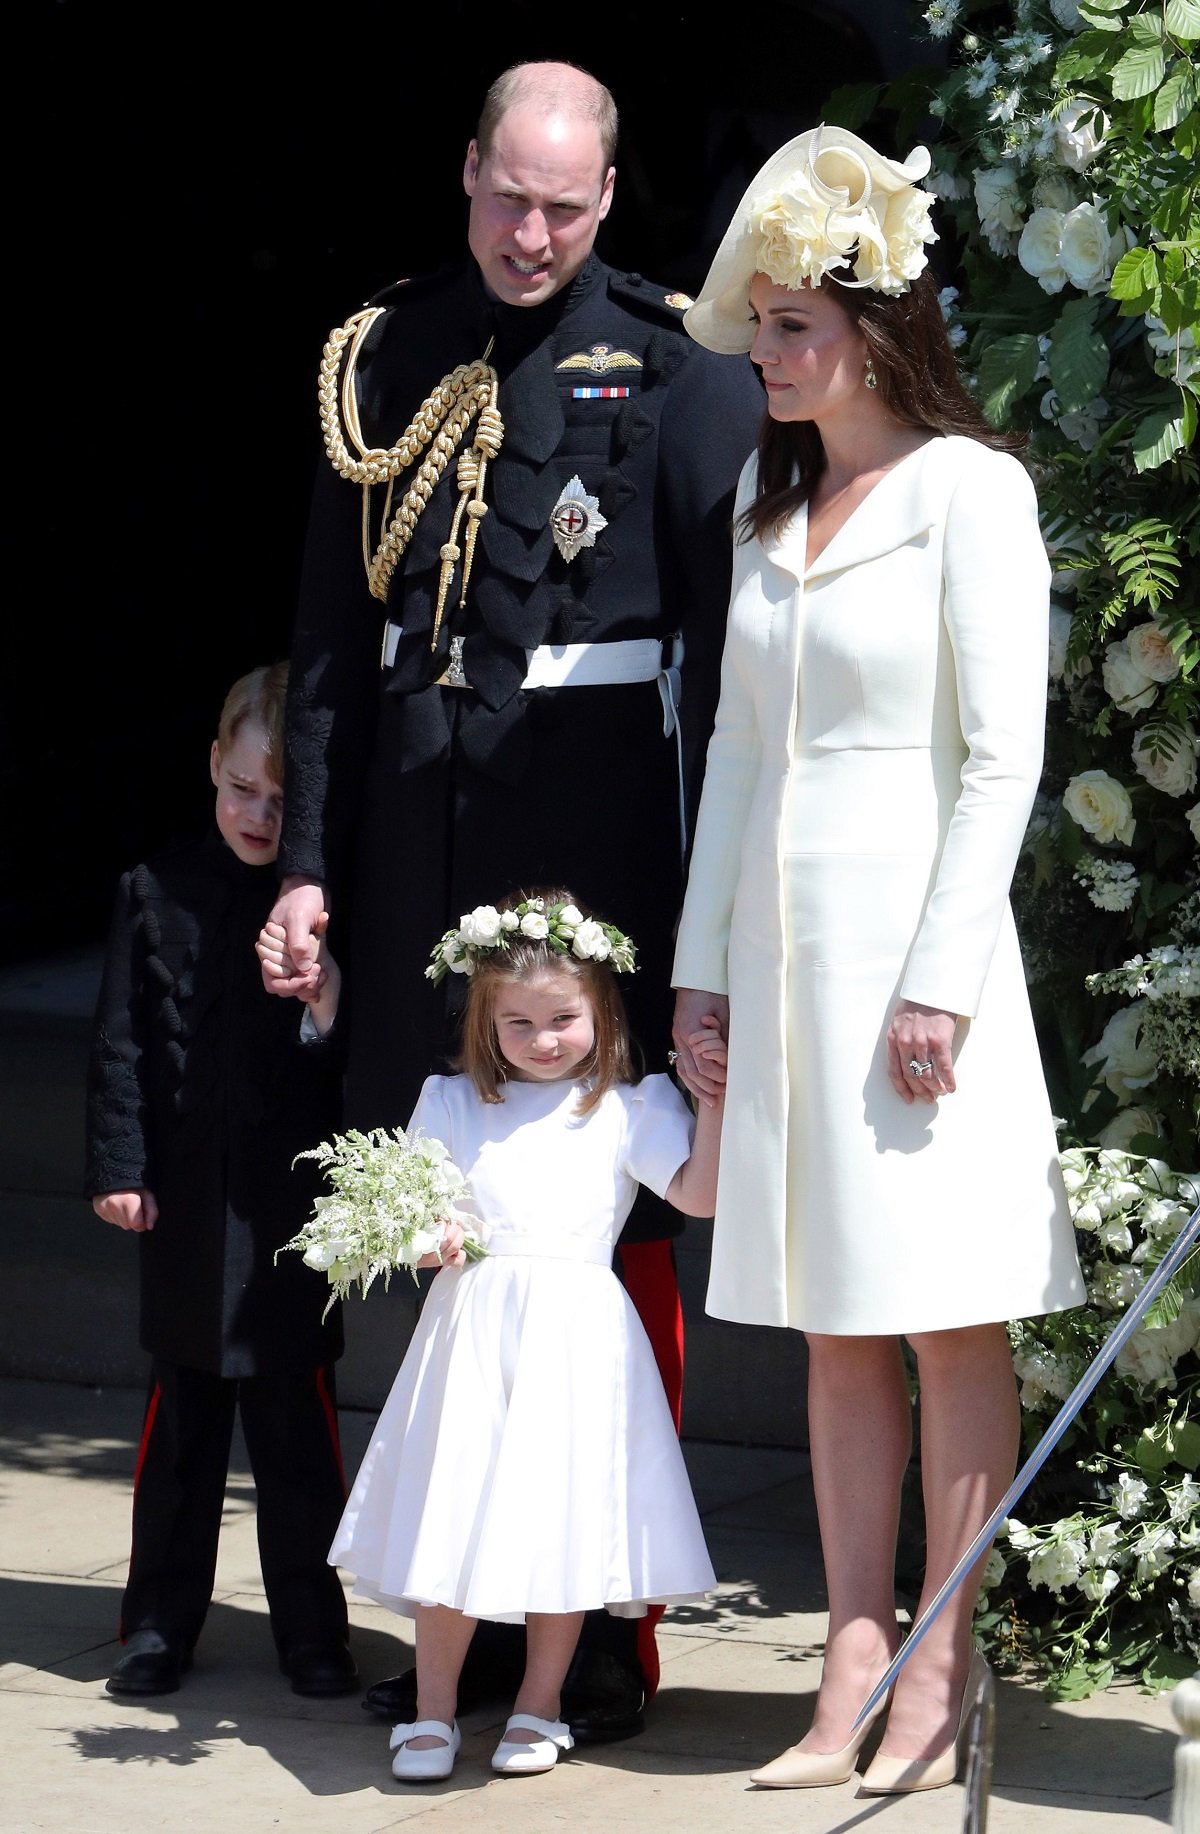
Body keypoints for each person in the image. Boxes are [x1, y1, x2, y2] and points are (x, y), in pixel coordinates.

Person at [263, 58, 763, 1737]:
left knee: (602, 1239)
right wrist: (316, 860)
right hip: (420, 856)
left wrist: (713, 923)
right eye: (506, 193)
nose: (530, 230)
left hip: (597, 856)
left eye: (563, 203)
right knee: (430, 1220)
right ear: (466, 170)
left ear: (610, 198)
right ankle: (454, 1611)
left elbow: (735, 661)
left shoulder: (683, 370)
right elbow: (335, 643)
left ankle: (604, 1617)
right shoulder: (388, 353)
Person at [670, 126, 1085, 1794]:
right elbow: (743, 765)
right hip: (785, 970)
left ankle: (940, 1656)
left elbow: (1002, 755)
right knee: (838, 1324)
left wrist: (943, 977)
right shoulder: (769, 511)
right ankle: (850, 1651)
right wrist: (702, 976)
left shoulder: (970, 491)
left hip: (920, 971)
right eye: (759, 323)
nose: (766, 353)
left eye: (791, 325)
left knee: (942, 1323)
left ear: (875, 326)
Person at [261, 888, 725, 1783]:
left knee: (562, 1522)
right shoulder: (450, 1102)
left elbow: (697, 1196)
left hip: (579, 1337)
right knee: (453, 1511)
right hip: (473, 1333)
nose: (543, 1038)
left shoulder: (631, 1107)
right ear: (485, 1019)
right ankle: (435, 1710)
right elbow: (417, 1208)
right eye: (518, 1022)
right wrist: (423, 1237)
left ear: (600, 1010)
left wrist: (712, 1101)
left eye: (562, 1018)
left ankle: (538, 1704)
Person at [84, 662, 357, 1700]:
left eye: (282, 801)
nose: (258, 812)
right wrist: (121, 1168)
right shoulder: (152, 890)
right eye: (243, 786)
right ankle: (157, 1622)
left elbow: (347, 1058)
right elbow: (121, 1046)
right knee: (183, 1429)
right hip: (189, 1208)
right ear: (211, 765)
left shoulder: (324, 911)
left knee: (297, 1432)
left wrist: (328, 1002)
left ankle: (312, 1627)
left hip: (290, 1211)